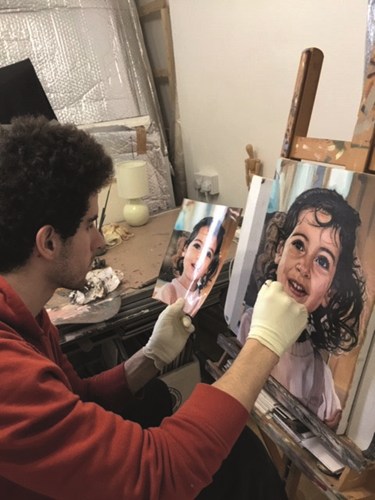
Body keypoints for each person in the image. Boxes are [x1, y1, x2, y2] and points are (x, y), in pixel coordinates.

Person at [0, 116, 308, 500]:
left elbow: (76, 399)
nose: (98, 241)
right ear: (47, 243)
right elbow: (157, 477)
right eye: (89, 224)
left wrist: (150, 356)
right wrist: (264, 342)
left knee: (211, 433)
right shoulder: (7, 372)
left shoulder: (27, 313)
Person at [239, 188, 365, 428]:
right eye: (299, 245)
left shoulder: (319, 373)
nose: (304, 266)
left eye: (322, 261)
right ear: (279, 251)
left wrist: (330, 425)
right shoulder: (248, 325)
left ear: (331, 290)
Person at [154, 217, 225, 316]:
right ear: (185, 249)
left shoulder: (202, 297)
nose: (200, 257)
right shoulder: (168, 291)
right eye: (197, 246)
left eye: (208, 254)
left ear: (209, 267)